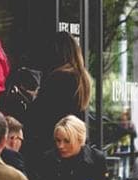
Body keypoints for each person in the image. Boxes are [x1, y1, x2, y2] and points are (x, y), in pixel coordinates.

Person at [25, 32, 91, 167]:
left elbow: (41, 114)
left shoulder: (58, 78)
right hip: (71, 141)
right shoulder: (81, 78)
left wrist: (33, 98)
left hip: (53, 143)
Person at [37, 115, 108, 180]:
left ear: (80, 140)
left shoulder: (96, 159)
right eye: (58, 140)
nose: (60, 146)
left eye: (67, 141)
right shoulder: (48, 159)